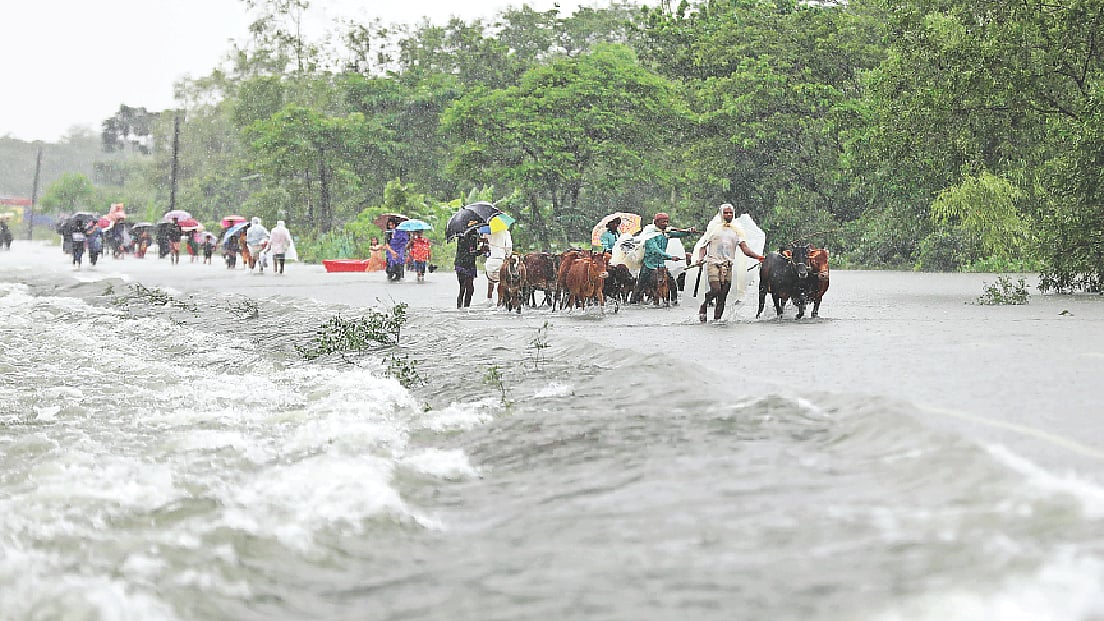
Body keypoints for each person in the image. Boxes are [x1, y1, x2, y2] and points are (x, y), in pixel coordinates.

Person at [696, 204, 765, 322]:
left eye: (730, 213)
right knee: (716, 289)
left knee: (723, 295)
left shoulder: (737, 230)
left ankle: (717, 320)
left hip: (727, 265)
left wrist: (757, 256)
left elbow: (745, 249)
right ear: (721, 214)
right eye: (726, 213)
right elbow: (703, 246)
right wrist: (700, 259)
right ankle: (705, 304)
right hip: (713, 263)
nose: (728, 215)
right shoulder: (714, 228)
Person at [633, 213, 695, 304]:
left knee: (673, 284)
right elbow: (656, 250)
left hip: (661, 264)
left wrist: (689, 232)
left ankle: (673, 302)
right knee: (641, 286)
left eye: (666, 221)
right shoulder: (649, 235)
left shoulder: (665, 233)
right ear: (656, 222)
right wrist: (670, 257)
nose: (665, 224)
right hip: (649, 264)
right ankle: (635, 300)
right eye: (663, 222)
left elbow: (678, 234)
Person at [454, 227, 487, 308]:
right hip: (461, 264)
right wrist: (481, 251)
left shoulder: (474, 237)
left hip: (470, 265)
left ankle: (466, 307)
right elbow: (469, 252)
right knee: (463, 287)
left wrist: (481, 248)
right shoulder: (462, 237)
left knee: (470, 288)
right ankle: (460, 306)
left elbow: (473, 252)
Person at [484, 225, 512, 302]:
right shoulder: (506, 233)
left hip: (490, 262)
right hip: (500, 260)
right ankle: (500, 301)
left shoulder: (488, 231)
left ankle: (489, 299)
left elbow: (484, 246)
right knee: (502, 282)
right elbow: (509, 247)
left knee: (490, 281)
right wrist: (508, 255)